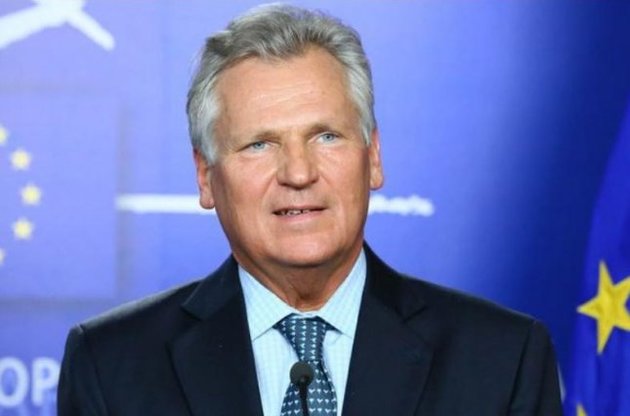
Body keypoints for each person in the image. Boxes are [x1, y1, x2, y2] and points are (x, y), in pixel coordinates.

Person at [58, 4, 562, 415]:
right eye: (259, 144)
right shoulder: (111, 364)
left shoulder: (503, 358)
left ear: (374, 157)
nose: (298, 173)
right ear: (206, 176)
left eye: (326, 136)